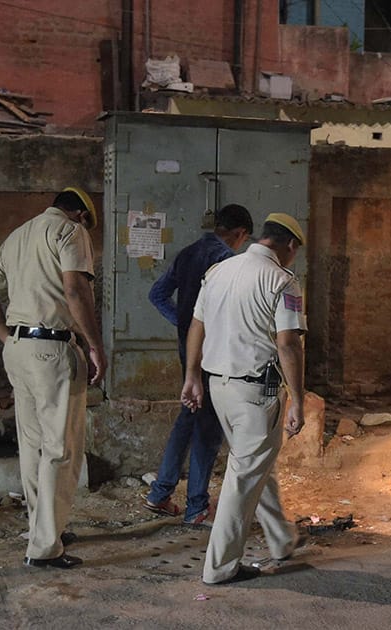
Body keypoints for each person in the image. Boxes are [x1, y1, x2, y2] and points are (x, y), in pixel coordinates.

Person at [0, 187, 106, 569]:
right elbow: (74, 289)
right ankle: (45, 547)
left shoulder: (18, 235)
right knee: (61, 449)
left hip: (17, 350)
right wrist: (95, 345)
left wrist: (6, 337)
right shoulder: (69, 231)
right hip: (52, 349)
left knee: (33, 447)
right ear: (79, 214)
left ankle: (45, 528)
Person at [181, 213, 307, 585]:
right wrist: (298, 399)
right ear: (291, 246)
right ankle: (219, 567)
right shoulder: (283, 281)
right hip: (257, 392)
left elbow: (197, 326)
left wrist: (192, 376)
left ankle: (281, 538)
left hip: (219, 387)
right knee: (243, 476)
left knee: (253, 463)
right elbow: (288, 343)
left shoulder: (220, 271)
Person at [143, 204, 254, 526]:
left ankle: (161, 492)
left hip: (187, 348)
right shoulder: (227, 261)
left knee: (188, 415)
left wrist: (185, 324)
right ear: (240, 234)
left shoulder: (187, 253)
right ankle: (196, 507)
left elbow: (157, 294)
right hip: (215, 353)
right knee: (208, 426)